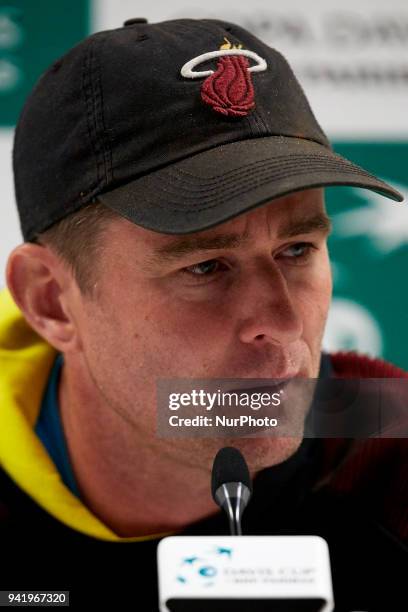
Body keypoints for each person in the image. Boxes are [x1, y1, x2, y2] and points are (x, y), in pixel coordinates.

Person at [0, 17, 406, 611]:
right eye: (207, 267)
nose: (284, 323)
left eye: (297, 251)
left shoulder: (391, 456)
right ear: (51, 300)